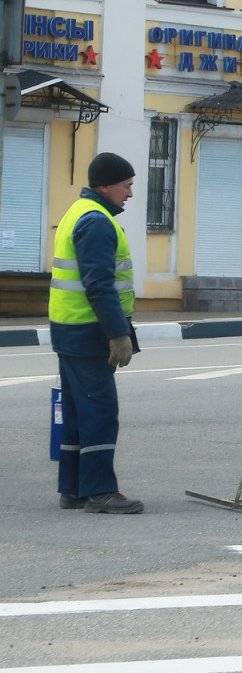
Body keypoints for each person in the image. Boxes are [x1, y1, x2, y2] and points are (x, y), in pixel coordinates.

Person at [49, 152, 144, 514]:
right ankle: (101, 491)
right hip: (89, 334)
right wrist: (118, 334)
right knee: (100, 411)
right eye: (127, 185)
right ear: (106, 185)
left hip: (70, 329)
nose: (130, 194)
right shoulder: (98, 222)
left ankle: (73, 489)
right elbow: (100, 285)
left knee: (77, 412)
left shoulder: (78, 212)